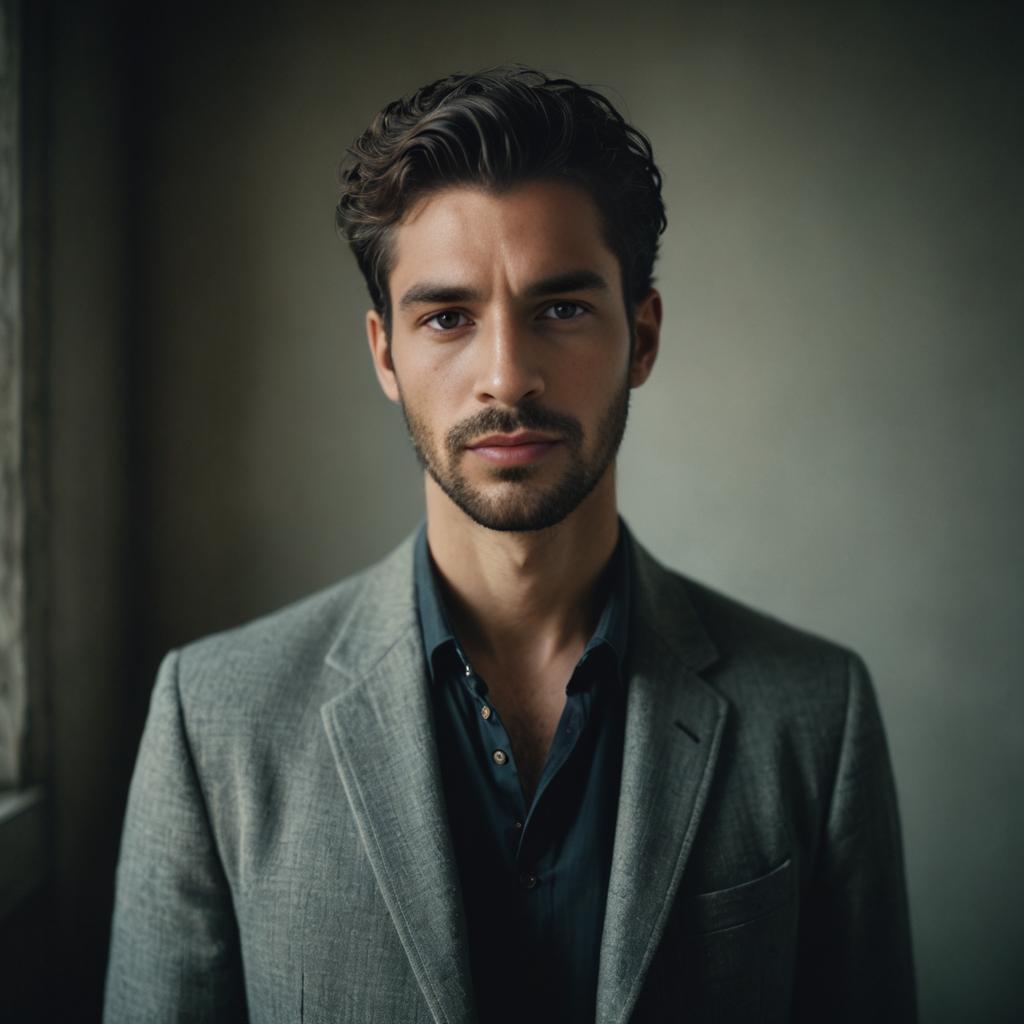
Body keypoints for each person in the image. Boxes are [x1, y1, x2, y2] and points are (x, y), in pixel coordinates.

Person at [103, 66, 916, 1023]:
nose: (506, 376)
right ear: (385, 356)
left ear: (642, 338)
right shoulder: (217, 723)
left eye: (561, 308)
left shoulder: (815, 715)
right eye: (447, 317)